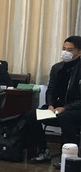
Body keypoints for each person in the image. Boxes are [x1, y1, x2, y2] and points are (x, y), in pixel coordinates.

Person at [28, 35, 81, 165]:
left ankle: (69, 157)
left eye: (70, 50)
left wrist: (66, 108)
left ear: (79, 52)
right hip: (57, 108)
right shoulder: (57, 68)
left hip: (75, 110)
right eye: (64, 49)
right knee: (31, 115)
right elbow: (51, 90)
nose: (65, 52)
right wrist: (50, 105)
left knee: (65, 117)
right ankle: (43, 151)